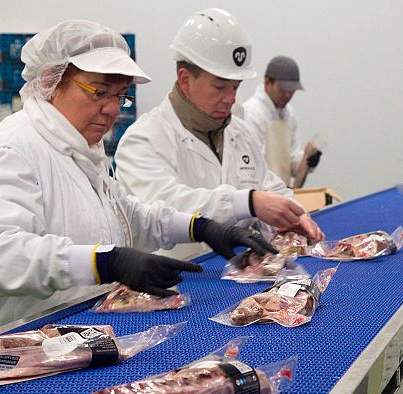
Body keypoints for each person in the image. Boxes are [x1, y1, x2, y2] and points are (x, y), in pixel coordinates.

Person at [0, 20, 275, 344]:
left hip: (65, 338)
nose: (112, 109)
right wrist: (106, 262)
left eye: (120, 96)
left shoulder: (80, 148)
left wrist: (201, 227)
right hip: (1, 347)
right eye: (100, 92)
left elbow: (126, 215)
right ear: (50, 81)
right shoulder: (15, 150)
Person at [114, 8, 324, 260]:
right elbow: (163, 210)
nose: (231, 98)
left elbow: (269, 186)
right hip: (177, 279)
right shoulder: (142, 140)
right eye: (220, 87)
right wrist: (248, 203)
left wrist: (295, 215)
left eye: (236, 87)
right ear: (185, 79)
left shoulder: (240, 133)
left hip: (243, 274)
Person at [242, 56, 322, 188]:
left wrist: (308, 160)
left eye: (292, 90)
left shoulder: (289, 114)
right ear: (268, 82)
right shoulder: (251, 113)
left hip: (281, 192)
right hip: (261, 193)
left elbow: (291, 161)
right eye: (283, 89)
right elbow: (253, 167)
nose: (287, 95)